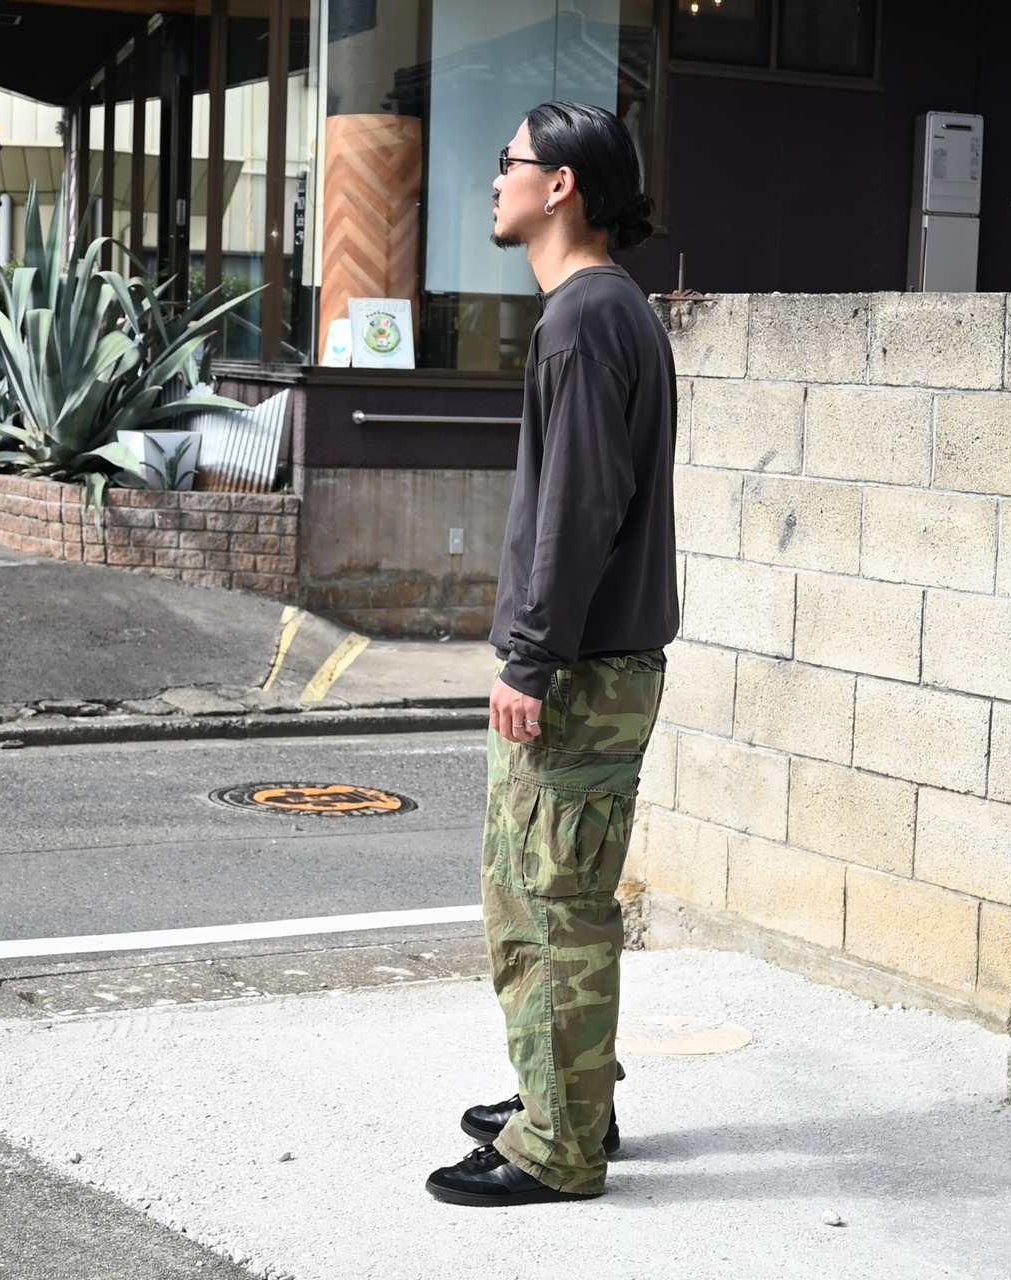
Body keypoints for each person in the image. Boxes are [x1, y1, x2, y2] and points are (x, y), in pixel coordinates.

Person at [425, 101, 679, 1207]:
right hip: (604, 660)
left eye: (509, 161)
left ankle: (559, 1144)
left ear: (561, 184)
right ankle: (568, 1096)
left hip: (577, 669)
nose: (496, 181)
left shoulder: (581, 319)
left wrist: (528, 659)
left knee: (547, 905)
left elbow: (578, 506)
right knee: (549, 894)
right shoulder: (615, 309)